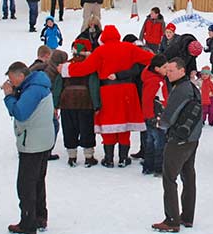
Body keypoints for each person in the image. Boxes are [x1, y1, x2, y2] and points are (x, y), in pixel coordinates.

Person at [59, 25, 154, 168]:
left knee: (108, 123)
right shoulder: (129, 48)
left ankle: (109, 159)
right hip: (128, 91)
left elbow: (85, 68)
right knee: (124, 124)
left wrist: (66, 69)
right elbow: (151, 59)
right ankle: (123, 158)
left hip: (108, 91)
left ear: (102, 38)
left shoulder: (100, 51)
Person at [2, 62, 57, 234]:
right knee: (38, 181)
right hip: (43, 141)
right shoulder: (38, 84)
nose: (11, 82)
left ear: (21, 76)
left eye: (12, 79)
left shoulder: (33, 90)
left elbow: (20, 112)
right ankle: (40, 217)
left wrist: (9, 96)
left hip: (32, 143)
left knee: (26, 185)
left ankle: (28, 223)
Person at [152, 57, 204, 233]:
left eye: (172, 70)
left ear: (182, 71)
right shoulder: (192, 87)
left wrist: (159, 121)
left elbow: (168, 118)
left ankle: (172, 220)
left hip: (178, 139)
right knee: (188, 177)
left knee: (169, 178)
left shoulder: (180, 90)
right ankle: (187, 217)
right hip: (192, 138)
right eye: (167, 70)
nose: (168, 73)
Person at [55, 42, 101, 167]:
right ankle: (88, 156)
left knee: (69, 128)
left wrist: (55, 104)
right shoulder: (90, 67)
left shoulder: (65, 66)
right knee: (86, 128)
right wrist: (97, 105)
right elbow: (93, 86)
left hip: (67, 102)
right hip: (85, 102)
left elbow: (58, 86)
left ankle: (72, 156)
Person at [140, 55, 170, 176]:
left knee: (150, 141)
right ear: (157, 69)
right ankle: (158, 168)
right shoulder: (155, 81)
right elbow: (147, 100)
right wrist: (150, 117)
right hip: (156, 116)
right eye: (164, 67)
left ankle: (148, 166)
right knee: (159, 143)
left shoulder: (155, 78)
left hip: (154, 116)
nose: (167, 70)